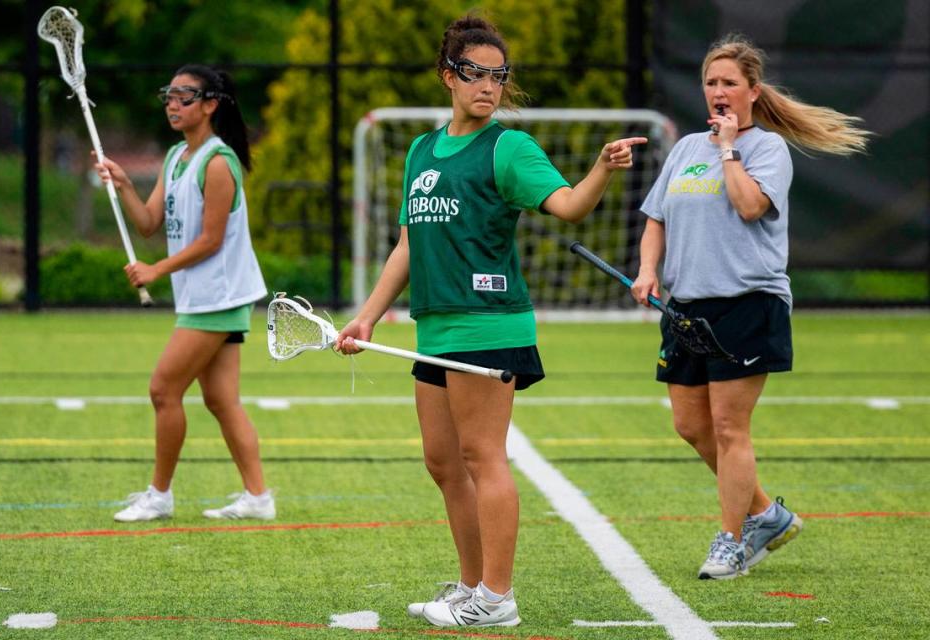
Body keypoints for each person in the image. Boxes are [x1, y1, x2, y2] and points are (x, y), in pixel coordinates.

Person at [336, 14, 646, 627]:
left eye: (499, 76)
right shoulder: (423, 150)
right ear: (448, 76)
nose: (489, 85)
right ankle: (473, 585)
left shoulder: (508, 146)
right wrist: (367, 317)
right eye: (476, 73)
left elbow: (569, 207)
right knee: (443, 462)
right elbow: (407, 244)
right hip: (435, 327)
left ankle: (497, 599)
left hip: (490, 324)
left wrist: (602, 171)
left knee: (483, 457)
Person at [632, 34, 871, 579]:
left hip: (748, 302)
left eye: (729, 83)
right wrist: (648, 271)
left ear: (752, 92)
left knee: (729, 425)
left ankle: (732, 539)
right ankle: (765, 512)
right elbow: (657, 219)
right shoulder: (686, 149)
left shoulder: (766, 150)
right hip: (686, 307)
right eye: (711, 83)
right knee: (691, 425)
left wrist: (729, 148)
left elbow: (747, 206)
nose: (718, 92)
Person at [94, 64, 274, 523]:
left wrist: (156, 270)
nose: (173, 104)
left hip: (218, 297)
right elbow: (150, 223)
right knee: (220, 400)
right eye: (168, 95)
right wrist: (124, 185)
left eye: (184, 97)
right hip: (204, 297)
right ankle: (258, 496)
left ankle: (160, 494)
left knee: (163, 388)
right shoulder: (177, 157)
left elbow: (210, 240)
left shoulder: (217, 163)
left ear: (210, 104)